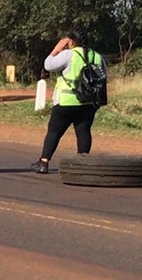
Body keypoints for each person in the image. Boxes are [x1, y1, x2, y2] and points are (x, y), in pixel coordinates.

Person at [30, 28, 107, 173]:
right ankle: (82, 163)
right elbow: (103, 75)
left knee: (54, 132)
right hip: (88, 102)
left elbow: (48, 65)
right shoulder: (97, 56)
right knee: (83, 131)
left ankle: (44, 162)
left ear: (71, 41)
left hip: (66, 101)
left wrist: (56, 49)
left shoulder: (69, 55)